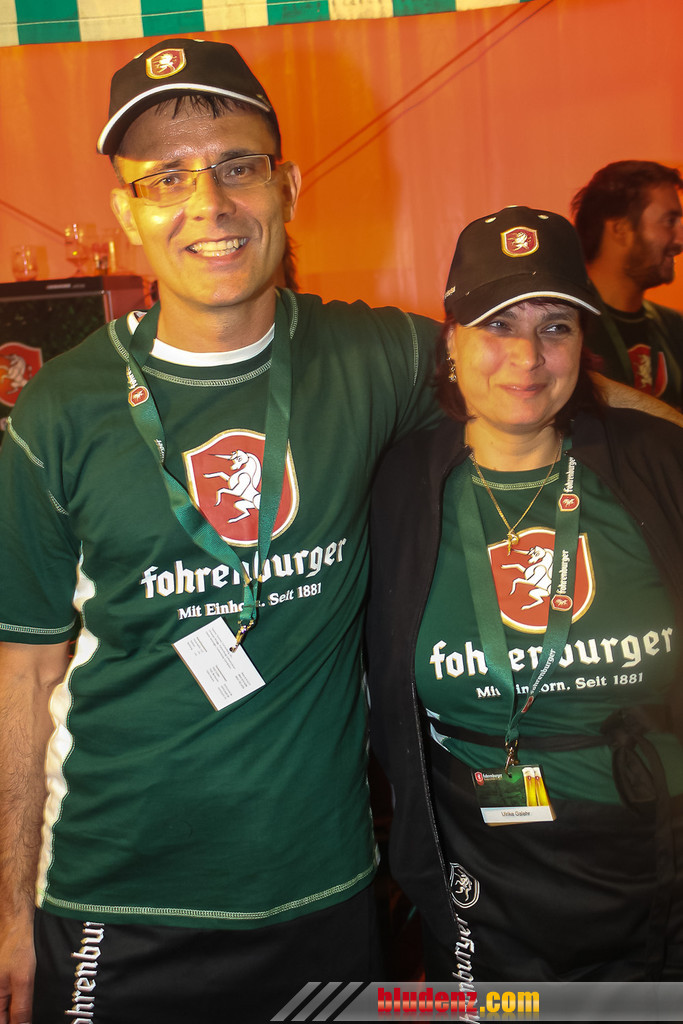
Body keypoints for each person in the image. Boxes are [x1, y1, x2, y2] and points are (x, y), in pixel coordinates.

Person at [0, 38, 441, 1024]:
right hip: (114, 898)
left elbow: (537, 379)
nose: (206, 202)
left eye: (236, 165)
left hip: (321, 889)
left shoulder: (376, 358)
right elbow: (19, 678)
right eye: (165, 178)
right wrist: (7, 913)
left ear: (287, 187)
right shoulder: (58, 412)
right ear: (126, 212)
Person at [368, 206, 683, 984]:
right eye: (497, 324)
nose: (527, 356)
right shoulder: (394, 487)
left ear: (583, 345)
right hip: (479, 874)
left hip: (659, 862)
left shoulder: (658, 465)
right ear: (450, 341)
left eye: (555, 328)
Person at [571, 160, 683, 406]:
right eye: (669, 221)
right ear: (620, 229)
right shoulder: (565, 326)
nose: (680, 240)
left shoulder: (674, 327)